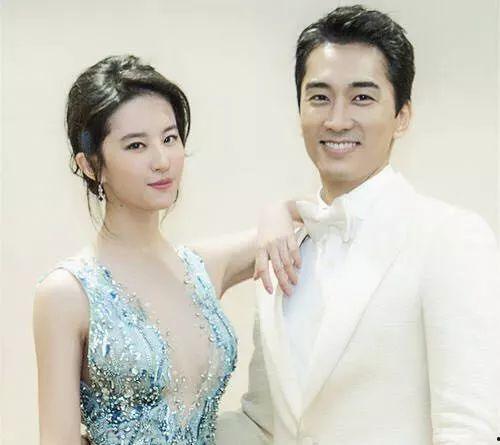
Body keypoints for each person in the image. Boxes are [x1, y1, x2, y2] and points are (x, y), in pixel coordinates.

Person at [218, 5, 500, 444]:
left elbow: (468, 428)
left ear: (402, 116)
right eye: (319, 97)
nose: (337, 120)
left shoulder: (451, 237)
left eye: (362, 98)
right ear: (299, 110)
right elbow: (261, 423)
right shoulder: (285, 247)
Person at [33, 55, 301, 445]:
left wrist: (276, 211)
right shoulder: (66, 294)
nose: (162, 161)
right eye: (136, 145)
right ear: (90, 165)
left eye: (169, 138)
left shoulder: (203, 267)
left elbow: (313, 218)